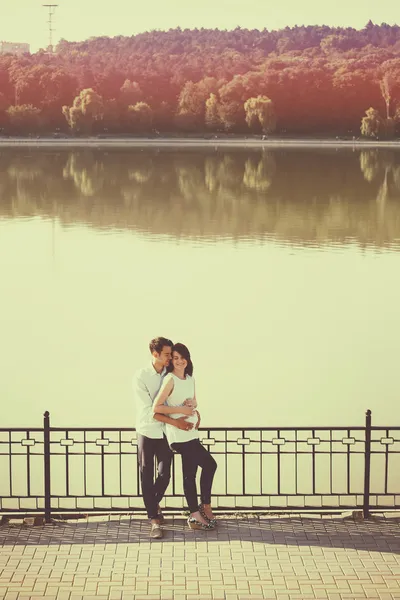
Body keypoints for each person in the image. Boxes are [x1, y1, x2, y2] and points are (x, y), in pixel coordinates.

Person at [133, 337, 196, 539]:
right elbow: (150, 409)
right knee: (146, 473)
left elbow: (179, 396)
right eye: (167, 354)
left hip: (165, 431)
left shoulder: (170, 375)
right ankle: (154, 519)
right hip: (146, 430)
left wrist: (193, 410)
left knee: (164, 474)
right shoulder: (141, 376)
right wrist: (176, 417)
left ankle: (153, 504)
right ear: (155, 354)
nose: (171, 358)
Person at [153, 343, 217, 530]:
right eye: (175, 358)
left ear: (187, 359)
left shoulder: (190, 379)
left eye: (182, 357)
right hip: (178, 436)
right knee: (210, 464)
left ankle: (195, 517)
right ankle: (205, 506)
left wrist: (194, 407)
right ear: (171, 361)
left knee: (190, 475)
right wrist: (181, 409)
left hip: (191, 432)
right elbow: (157, 408)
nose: (179, 361)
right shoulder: (170, 379)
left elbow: (194, 401)